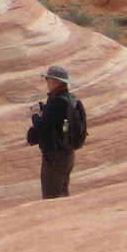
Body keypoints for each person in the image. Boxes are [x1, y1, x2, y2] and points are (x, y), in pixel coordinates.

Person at [26, 64, 82, 199]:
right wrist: (44, 108)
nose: (46, 82)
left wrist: (35, 115)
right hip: (67, 153)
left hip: (55, 156)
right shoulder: (70, 99)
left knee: (52, 197)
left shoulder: (58, 102)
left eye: (47, 79)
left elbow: (43, 126)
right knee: (63, 193)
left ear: (55, 81)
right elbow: (56, 120)